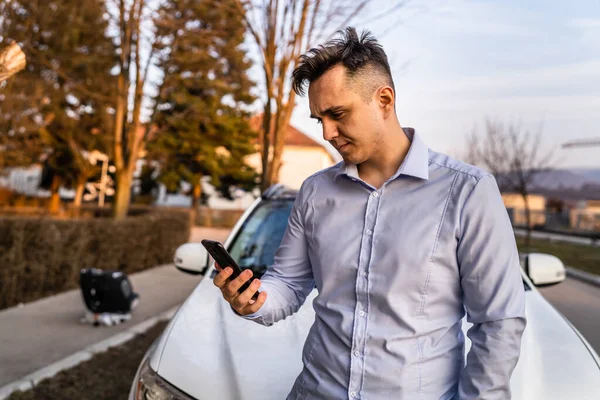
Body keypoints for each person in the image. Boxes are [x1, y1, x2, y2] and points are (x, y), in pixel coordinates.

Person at [213, 27, 526, 400]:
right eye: (319, 120)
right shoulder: (315, 191)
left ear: (385, 99)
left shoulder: (468, 192)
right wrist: (254, 299)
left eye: (337, 114)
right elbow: (288, 284)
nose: (328, 132)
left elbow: (498, 323)